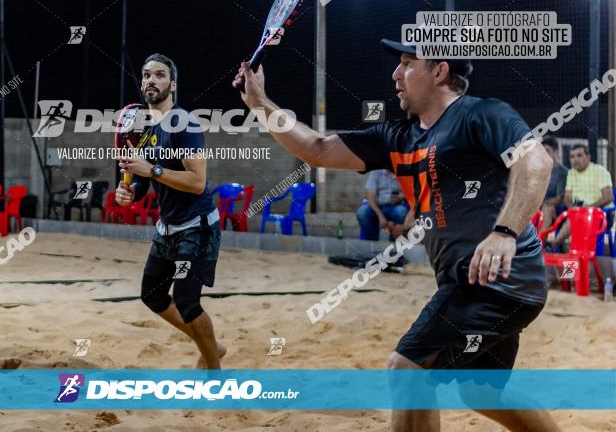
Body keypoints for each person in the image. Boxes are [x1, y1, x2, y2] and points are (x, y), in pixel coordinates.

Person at [233, 40, 558, 432]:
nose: (395, 74)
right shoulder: (399, 136)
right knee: (481, 392)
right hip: (483, 283)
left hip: (497, 277)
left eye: (406, 63)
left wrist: (505, 232)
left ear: (439, 71)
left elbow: (537, 160)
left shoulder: (481, 114)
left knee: (407, 370)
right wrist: (259, 104)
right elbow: (317, 150)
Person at [116, 53, 226, 369]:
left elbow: (197, 182)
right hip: (168, 227)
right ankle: (211, 346)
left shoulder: (185, 124)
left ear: (172, 84)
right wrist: (130, 192)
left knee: (188, 303)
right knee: (152, 296)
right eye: (146, 74)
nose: (151, 80)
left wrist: (152, 171)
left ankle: (213, 372)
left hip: (198, 226)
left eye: (160, 75)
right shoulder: (146, 127)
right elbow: (145, 180)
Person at [547, 144, 613, 251]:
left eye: (579, 155)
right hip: (577, 213)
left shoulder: (600, 171)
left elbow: (609, 197)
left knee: (577, 215)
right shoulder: (571, 173)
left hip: (602, 214)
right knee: (559, 210)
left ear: (588, 157)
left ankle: (554, 244)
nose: (575, 160)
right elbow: (567, 197)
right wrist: (571, 208)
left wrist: (587, 209)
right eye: (572, 157)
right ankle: (548, 245)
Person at [356, 168, 408, 240]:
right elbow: (370, 198)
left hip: (394, 206)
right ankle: (371, 239)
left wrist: (402, 196)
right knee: (362, 212)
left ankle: (394, 240)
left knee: (402, 212)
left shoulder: (402, 172)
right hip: (376, 206)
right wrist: (381, 216)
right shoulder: (375, 173)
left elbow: (412, 193)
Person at [540, 137, 567, 230]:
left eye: (548, 150)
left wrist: (543, 203)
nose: (544, 154)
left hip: (558, 209)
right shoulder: (540, 170)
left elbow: (559, 199)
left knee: (547, 208)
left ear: (556, 152)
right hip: (539, 206)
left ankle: (540, 243)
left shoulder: (563, 172)